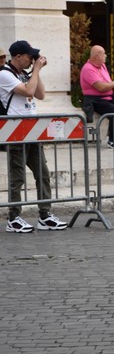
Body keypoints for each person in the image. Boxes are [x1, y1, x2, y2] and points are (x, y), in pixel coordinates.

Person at [0, 40, 67, 233]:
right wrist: (36, 70)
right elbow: (28, 90)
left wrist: (36, 71)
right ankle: (14, 218)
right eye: (29, 56)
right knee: (17, 176)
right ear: (18, 57)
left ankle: (44, 215)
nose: (32, 59)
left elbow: (40, 94)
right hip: (16, 132)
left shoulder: (24, 73)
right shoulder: (4, 74)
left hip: (32, 130)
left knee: (42, 173)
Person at [79, 45, 114, 149]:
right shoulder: (88, 69)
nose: (105, 56)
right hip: (95, 100)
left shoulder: (102, 66)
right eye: (103, 54)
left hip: (108, 98)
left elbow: (106, 83)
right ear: (96, 56)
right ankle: (112, 141)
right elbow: (100, 87)